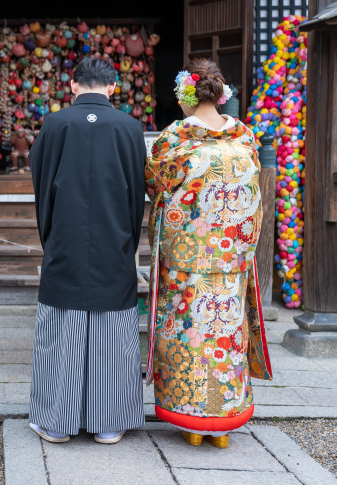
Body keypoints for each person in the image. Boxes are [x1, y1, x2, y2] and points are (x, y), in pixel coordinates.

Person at [145, 59, 272, 449]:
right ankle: (222, 421)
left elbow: (156, 188)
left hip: (187, 263)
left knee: (190, 339)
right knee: (224, 339)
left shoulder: (173, 141)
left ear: (186, 95)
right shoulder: (245, 138)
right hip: (229, 263)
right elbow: (255, 198)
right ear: (222, 96)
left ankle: (191, 421)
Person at [28, 58, 147, 445]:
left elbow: (42, 183)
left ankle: (57, 424)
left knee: (62, 329)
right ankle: (108, 424)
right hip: (115, 239)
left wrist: (51, 234)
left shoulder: (54, 124)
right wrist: (126, 236)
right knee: (113, 333)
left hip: (65, 237)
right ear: (112, 88)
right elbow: (136, 193)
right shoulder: (130, 128)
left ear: (74, 86)